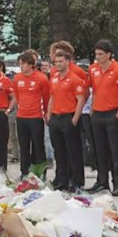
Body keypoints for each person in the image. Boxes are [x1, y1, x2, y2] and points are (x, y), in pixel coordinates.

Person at [85, 40, 118, 195]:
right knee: (99, 150)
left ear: (109, 54)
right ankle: (102, 181)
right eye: (96, 54)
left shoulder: (117, 69)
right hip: (97, 113)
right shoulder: (93, 69)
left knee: (115, 151)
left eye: (101, 54)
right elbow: (94, 90)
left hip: (112, 113)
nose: (98, 57)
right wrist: (92, 109)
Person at [47, 50, 86, 191]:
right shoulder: (54, 78)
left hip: (68, 117)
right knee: (59, 152)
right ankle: (62, 181)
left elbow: (81, 99)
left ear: (68, 62)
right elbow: (52, 97)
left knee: (73, 152)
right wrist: (49, 114)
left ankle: (76, 181)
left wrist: (75, 119)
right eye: (56, 62)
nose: (58, 64)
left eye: (61, 61)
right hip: (55, 118)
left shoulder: (74, 79)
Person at [11, 52, 50, 177]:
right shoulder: (17, 78)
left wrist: (46, 113)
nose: (21, 66)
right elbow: (17, 96)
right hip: (21, 117)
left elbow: (46, 97)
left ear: (31, 65)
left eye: (23, 64)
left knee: (38, 146)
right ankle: (24, 172)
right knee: (23, 146)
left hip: (36, 117)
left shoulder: (41, 78)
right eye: (20, 64)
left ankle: (40, 172)